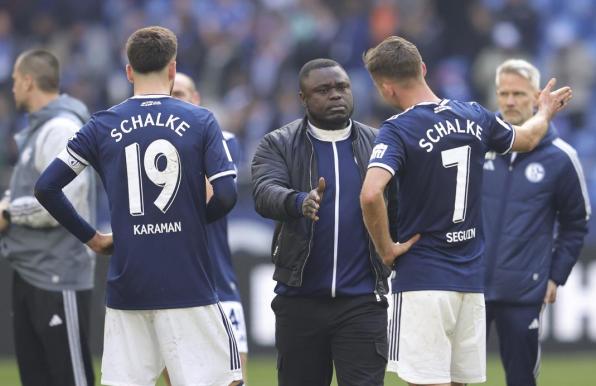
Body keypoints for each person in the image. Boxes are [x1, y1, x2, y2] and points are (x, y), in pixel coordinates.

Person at [34, 26, 243, 386]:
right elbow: (226, 195)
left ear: (129, 71)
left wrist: (93, 238)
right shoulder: (201, 120)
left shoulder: (100, 125)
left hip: (127, 288)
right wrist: (191, 220)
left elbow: (46, 187)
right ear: (173, 69)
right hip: (188, 284)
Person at [359, 36, 572, 386]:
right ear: (423, 69)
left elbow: (370, 194)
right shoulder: (474, 115)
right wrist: (545, 111)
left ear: (386, 88)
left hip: (423, 279)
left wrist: (386, 249)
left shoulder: (396, 130)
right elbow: (529, 138)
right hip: (471, 281)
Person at [251, 58, 405, 386]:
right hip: (300, 301)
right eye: (323, 90)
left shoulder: (380, 143)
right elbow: (264, 192)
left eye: (342, 87)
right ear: (303, 99)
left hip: (363, 302)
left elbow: (399, 209)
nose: (335, 95)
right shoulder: (277, 143)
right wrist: (297, 201)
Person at [482, 59, 590, 386]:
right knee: (453, 376)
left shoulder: (560, 157)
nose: (510, 101)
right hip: (470, 286)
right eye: (503, 93)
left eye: (518, 93)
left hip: (523, 290)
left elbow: (576, 223)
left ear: (537, 97)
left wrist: (555, 276)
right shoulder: (478, 145)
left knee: (520, 379)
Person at [0, 49, 96, 386]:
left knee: (69, 379)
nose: (12, 89)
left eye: (14, 81)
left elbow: (63, 202)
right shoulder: (38, 130)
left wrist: (8, 212)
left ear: (28, 82)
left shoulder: (61, 127)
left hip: (58, 275)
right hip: (33, 271)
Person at [163, 72, 249, 384]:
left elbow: (208, 195)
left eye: (182, 94)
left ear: (196, 100)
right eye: (170, 95)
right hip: (167, 283)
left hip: (217, 280)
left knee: (234, 378)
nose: (176, 102)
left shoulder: (223, 140)